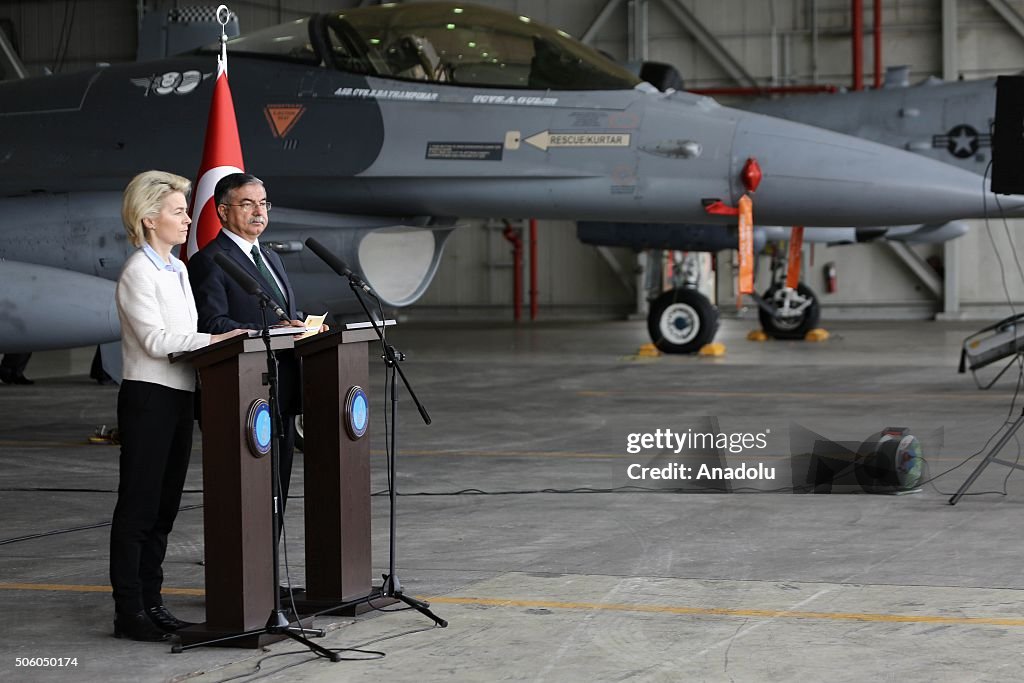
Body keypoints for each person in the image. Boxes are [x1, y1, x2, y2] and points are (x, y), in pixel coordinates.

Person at [110, 171, 245, 642]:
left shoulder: (178, 268)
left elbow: (185, 336)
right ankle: (130, 612)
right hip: (149, 397)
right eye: (177, 211)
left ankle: (153, 603)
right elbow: (154, 339)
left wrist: (218, 342)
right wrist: (216, 338)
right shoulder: (137, 272)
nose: (188, 218)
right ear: (149, 220)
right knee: (139, 507)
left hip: (181, 394)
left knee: (164, 508)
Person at [187, 173, 307, 527]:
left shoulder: (270, 256)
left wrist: (303, 325)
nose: (259, 211)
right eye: (248, 203)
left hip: (281, 390)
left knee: (277, 489)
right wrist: (268, 331)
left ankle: (269, 577)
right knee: (249, 491)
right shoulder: (211, 260)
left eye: (263, 203)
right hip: (242, 392)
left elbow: (279, 312)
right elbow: (212, 325)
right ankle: (249, 577)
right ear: (223, 212)